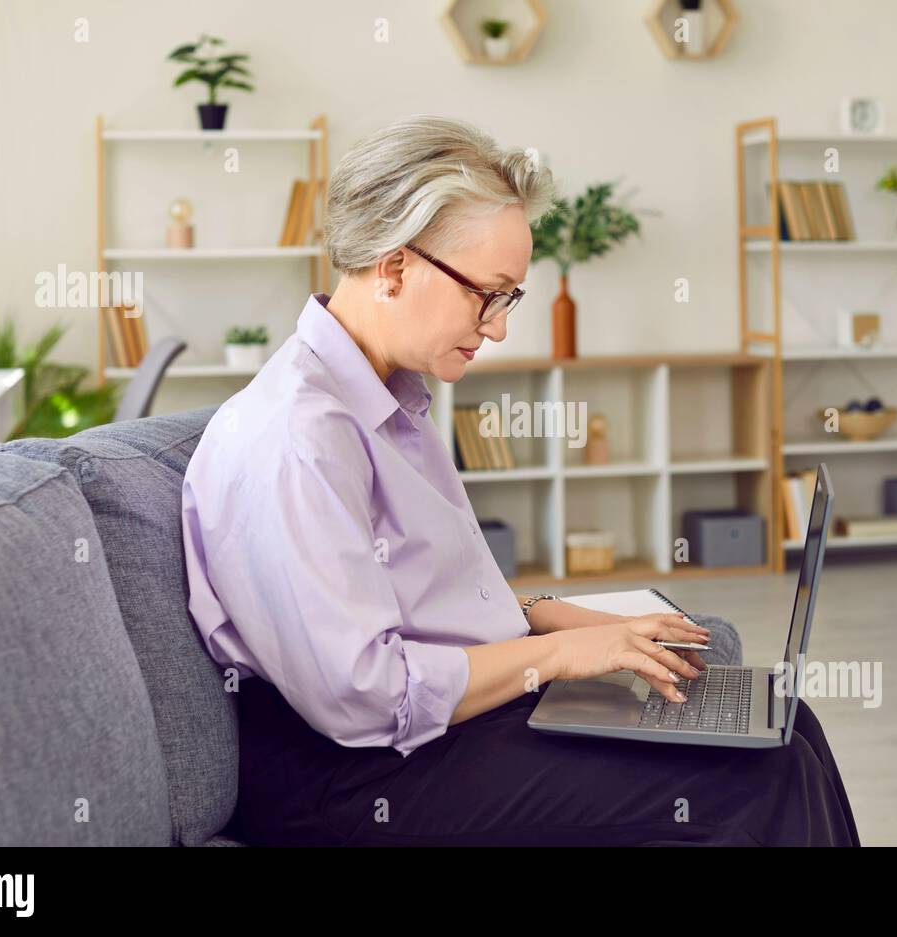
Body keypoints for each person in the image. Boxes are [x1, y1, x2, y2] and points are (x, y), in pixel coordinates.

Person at [181, 115, 860, 846]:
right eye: (488, 294)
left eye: (509, 299)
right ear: (394, 264)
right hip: (350, 777)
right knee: (763, 775)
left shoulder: (388, 400)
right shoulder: (298, 439)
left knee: (785, 725)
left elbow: (422, 593)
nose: (498, 328)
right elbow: (364, 697)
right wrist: (563, 656)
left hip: (426, 732)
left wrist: (551, 614)